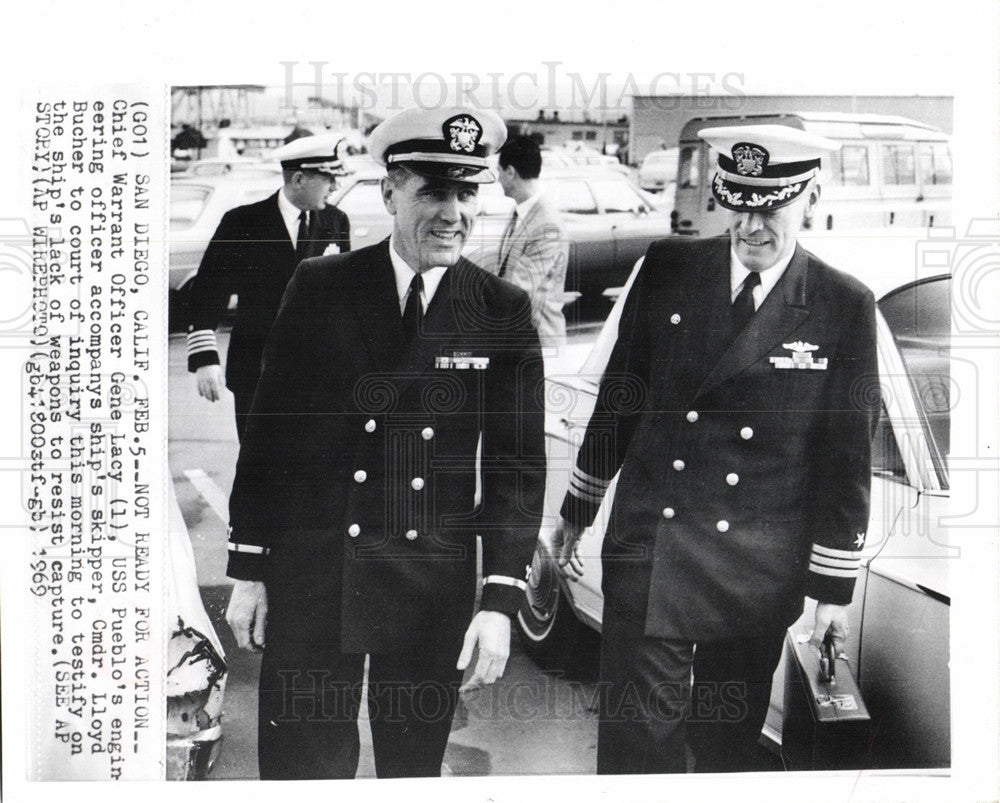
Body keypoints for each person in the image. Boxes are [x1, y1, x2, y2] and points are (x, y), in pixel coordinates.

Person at [224, 107, 546, 780]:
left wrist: (499, 599)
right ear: (390, 191)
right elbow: (270, 432)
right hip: (317, 573)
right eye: (434, 190)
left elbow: (518, 467)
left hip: (429, 585)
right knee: (302, 770)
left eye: (468, 192)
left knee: (411, 771)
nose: (453, 212)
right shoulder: (322, 285)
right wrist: (250, 565)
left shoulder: (500, 309)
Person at [554, 124, 880, 774]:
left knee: (726, 751)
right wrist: (574, 512)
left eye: (773, 205)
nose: (753, 224)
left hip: (754, 568)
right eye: (740, 203)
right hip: (652, 553)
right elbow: (620, 400)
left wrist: (832, 590)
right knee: (638, 753)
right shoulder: (669, 268)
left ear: (810, 197)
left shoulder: (843, 304)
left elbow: (846, 458)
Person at [185, 135, 351, 440]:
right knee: (257, 471)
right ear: (299, 179)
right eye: (329, 178)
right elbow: (208, 290)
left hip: (317, 372)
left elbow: (344, 297)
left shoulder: (336, 221)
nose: (335, 187)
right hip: (256, 370)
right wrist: (205, 358)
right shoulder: (242, 223)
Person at [491, 135, 569, 348]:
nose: (497, 179)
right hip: (518, 339)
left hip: (540, 343)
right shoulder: (521, 210)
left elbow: (520, 288)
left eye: (499, 172)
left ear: (510, 172)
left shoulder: (547, 226)